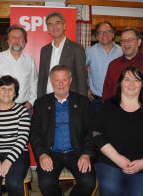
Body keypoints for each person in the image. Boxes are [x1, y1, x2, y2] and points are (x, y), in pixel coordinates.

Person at [93, 66, 143, 196]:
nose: (131, 84)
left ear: (142, 85)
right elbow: (96, 134)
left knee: (140, 194)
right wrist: (118, 158)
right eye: (127, 79)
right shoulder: (108, 105)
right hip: (111, 160)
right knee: (112, 190)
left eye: (136, 80)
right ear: (120, 83)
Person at [30, 65, 96, 196]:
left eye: (64, 79)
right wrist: (42, 154)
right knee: (45, 184)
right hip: (51, 153)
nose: (61, 84)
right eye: (57, 80)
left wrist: (86, 153)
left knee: (88, 183)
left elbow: (91, 130)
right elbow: (34, 132)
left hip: (77, 152)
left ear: (70, 80)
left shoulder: (83, 102)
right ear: (51, 81)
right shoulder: (41, 103)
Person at [102, 27, 143, 112]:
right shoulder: (113, 64)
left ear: (139, 42)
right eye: (123, 41)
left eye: (130, 40)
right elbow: (107, 93)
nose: (126, 44)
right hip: (118, 115)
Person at [0, 25, 38, 113]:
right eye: (13, 37)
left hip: (23, 108)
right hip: (0, 107)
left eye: (20, 37)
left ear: (24, 41)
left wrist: (32, 101)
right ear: (8, 41)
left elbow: (33, 82)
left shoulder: (29, 60)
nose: (17, 40)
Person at [37, 11, 87, 98]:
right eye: (50, 24)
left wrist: (82, 103)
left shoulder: (76, 49)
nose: (54, 27)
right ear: (48, 29)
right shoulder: (44, 50)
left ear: (64, 26)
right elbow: (41, 79)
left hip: (69, 99)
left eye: (58, 23)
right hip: (48, 99)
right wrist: (39, 100)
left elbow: (82, 79)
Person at [86, 21, 123, 113]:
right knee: (96, 127)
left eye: (107, 31)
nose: (104, 34)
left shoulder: (121, 51)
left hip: (117, 99)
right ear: (97, 36)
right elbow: (81, 69)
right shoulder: (90, 51)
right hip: (96, 100)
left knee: (114, 127)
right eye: (100, 32)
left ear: (113, 34)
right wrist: (85, 88)